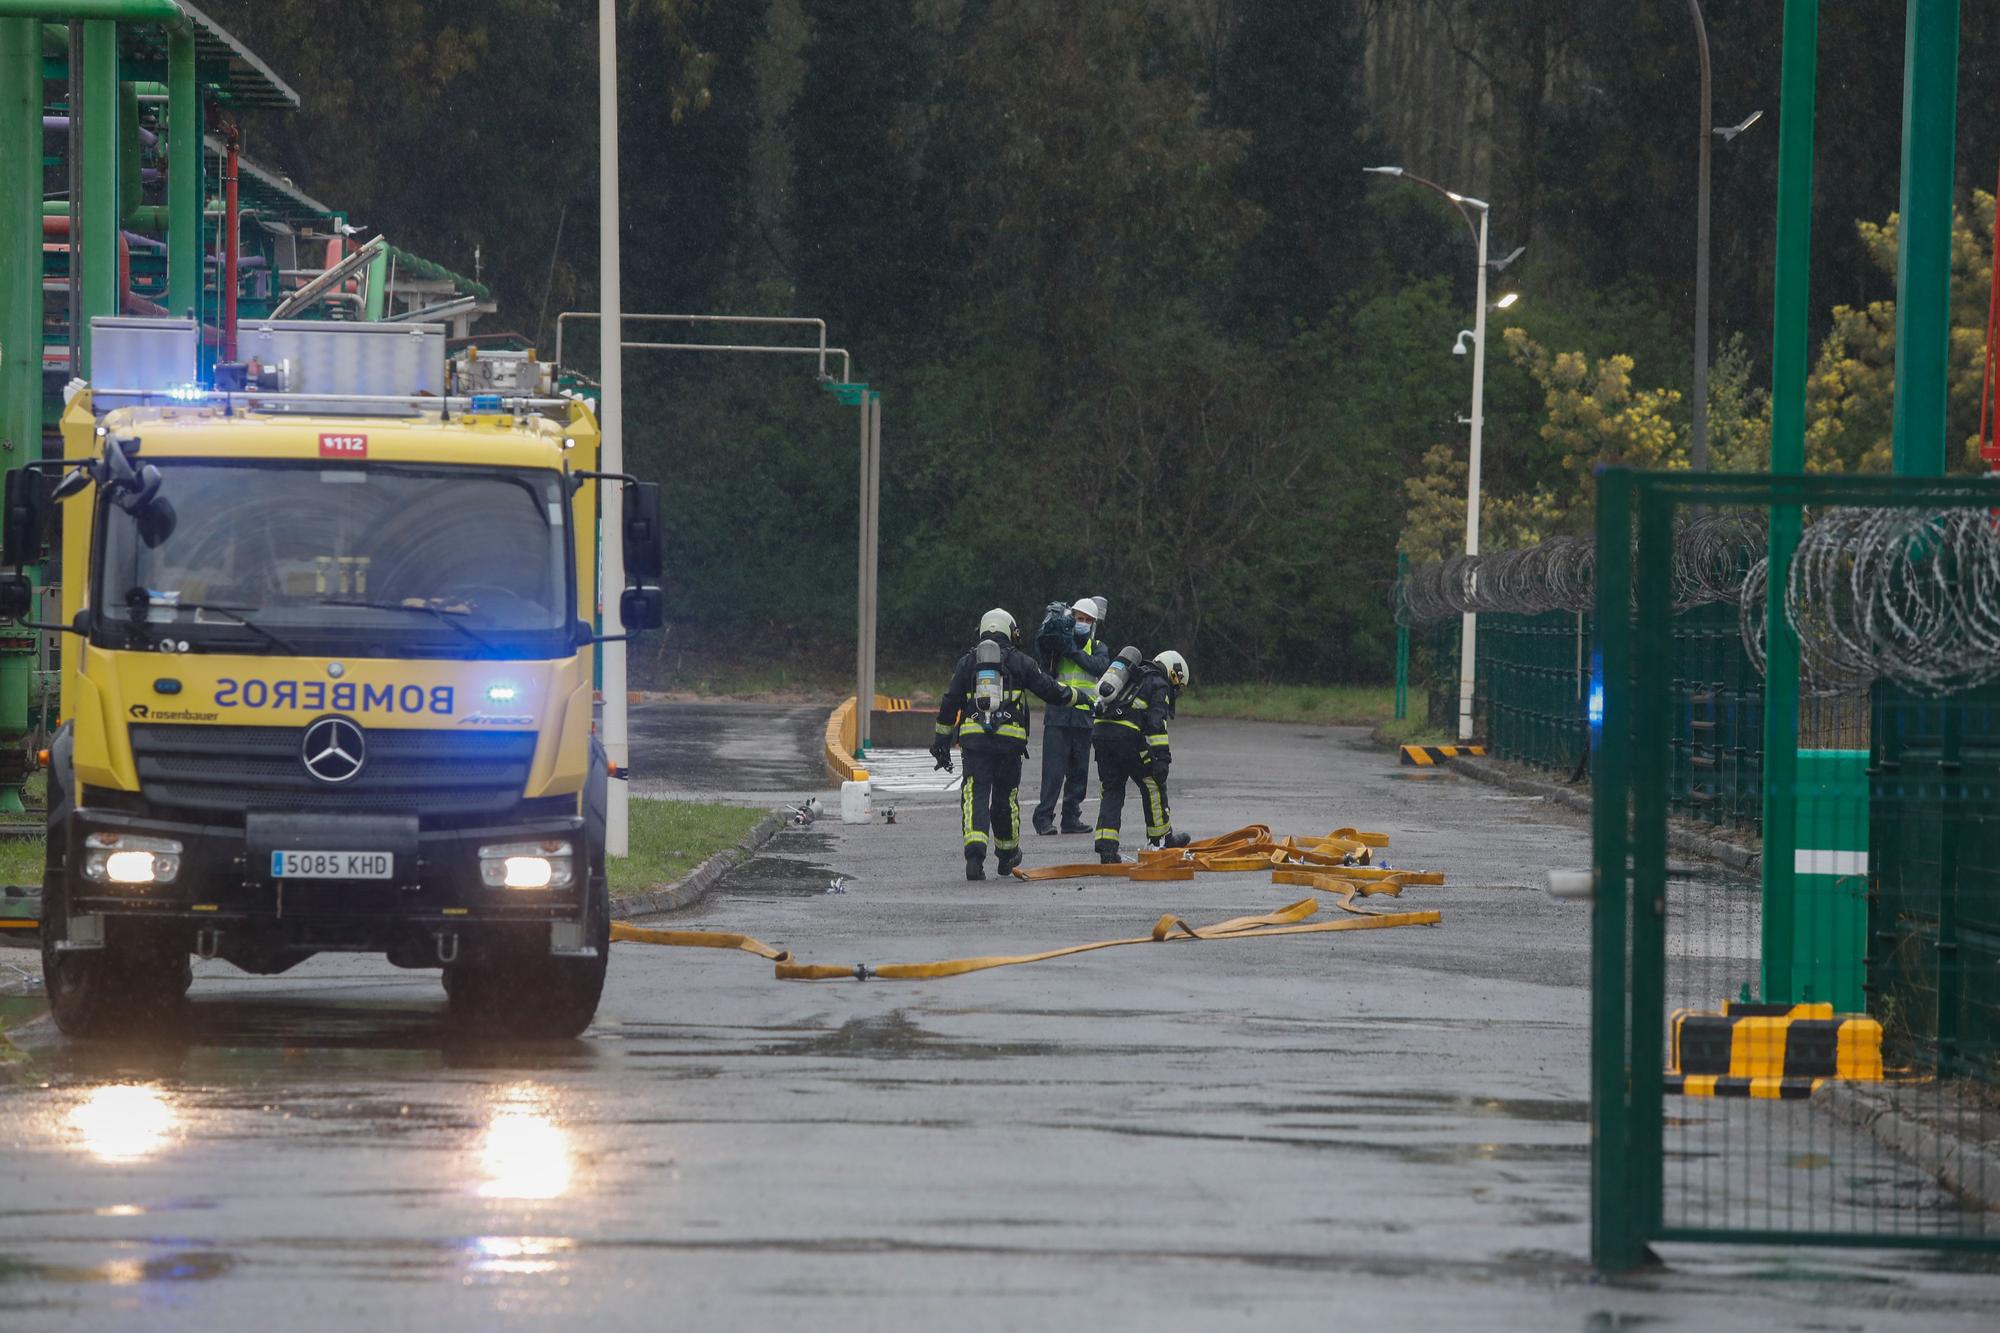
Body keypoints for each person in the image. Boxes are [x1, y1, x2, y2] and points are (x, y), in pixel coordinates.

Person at [931, 609, 1082, 880]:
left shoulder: (967, 662)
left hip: (975, 741)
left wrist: (941, 742)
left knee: (975, 793)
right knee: (1005, 797)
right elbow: (1049, 689)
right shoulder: (1020, 661)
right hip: (1009, 742)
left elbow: (949, 701)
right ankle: (1007, 855)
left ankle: (975, 855)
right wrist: (1077, 697)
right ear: (1008, 630)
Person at [1090, 649, 1191, 863]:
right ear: (1174, 674)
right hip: (1126, 738)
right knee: (1152, 783)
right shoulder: (1158, 683)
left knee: (1112, 788)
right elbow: (1156, 725)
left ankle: (1106, 847)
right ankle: (1161, 840)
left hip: (1101, 734)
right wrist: (1162, 759)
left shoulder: (1132, 676)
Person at [1032, 597, 1108, 836]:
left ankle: (1071, 818)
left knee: (1079, 773)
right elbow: (1044, 661)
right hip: (1059, 715)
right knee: (1053, 773)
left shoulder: (1098, 647)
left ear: (1094, 623)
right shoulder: (1057, 645)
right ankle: (1043, 819)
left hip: (1085, 718)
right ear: (1071, 618)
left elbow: (1098, 667)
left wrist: (1071, 650)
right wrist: (1057, 643)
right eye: (1078, 618)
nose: (1082, 623)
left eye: (1087, 620)